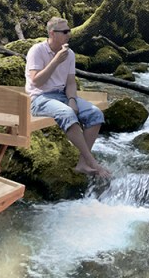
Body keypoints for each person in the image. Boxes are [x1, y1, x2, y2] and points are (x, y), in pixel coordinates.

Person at [25, 17, 111, 178]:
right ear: (52, 33)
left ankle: (82, 164)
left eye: (69, 31)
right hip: (39, 98)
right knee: (67, 113)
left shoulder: (69, 54)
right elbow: (36, 81)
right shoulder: (37, 51)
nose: (69, 34)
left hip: (62, 95)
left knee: (95, 114)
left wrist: (72, 100)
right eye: (65, 32)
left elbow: (71, 82)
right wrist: (55, 61)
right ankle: (92, 162)